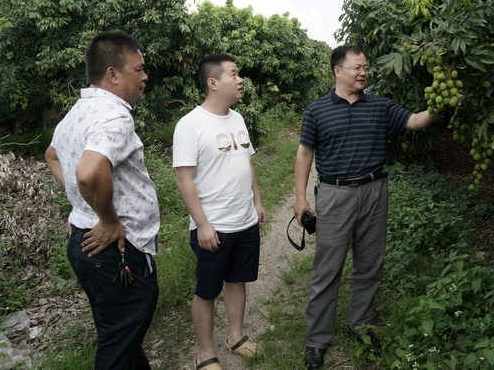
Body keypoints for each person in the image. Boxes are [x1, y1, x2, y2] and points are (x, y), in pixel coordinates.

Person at [293, 45, 438, 369]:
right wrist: (301, 198)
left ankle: (360, 325)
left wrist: (439, 107)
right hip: (334, 194)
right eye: (357, 67)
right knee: (327, 270)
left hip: (375, 191)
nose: (364, 72)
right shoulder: (317, 111)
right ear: (338, 71)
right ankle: (316, 341)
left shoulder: (381, 107)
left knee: (369, 266)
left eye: (366, 67)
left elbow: (415, 121)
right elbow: (305, 153)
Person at [45, 30, 160, 370]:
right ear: (113, 74)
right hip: (115, 251)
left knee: (120, 334)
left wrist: (82, 204)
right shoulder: (114, 115)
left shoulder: (78, 112)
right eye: (138, 69)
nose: (144, 76)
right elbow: (88, 172)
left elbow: (52, 156)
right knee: (118, 345)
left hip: (85, 244)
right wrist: (108, 219)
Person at [173, 53, 267, 370]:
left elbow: (246, 164)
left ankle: (235, 338)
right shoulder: (190, 125)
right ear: (213, 82)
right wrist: (202, 224)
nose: (240, 79)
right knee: (207, 291)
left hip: (245, 221)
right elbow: (184, 180)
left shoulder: (237, 118)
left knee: (237, 281)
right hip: (214, 226)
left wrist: (257, 202)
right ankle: (205, 353)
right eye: (234, 74)